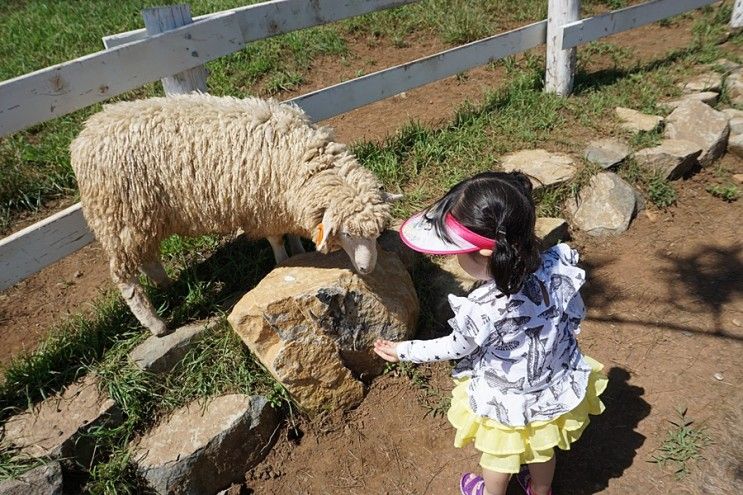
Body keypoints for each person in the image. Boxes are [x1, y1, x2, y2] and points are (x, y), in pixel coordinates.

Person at [373, 171, 607, 495]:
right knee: (542, 447)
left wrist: (404, 351)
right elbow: (571, 315)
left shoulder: (483, 307)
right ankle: (541, 490)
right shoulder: (552, 264)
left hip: (506, 398)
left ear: (483, 253)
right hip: (548, 381)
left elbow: (455, 347)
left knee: (498, 455)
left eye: (457, 249)